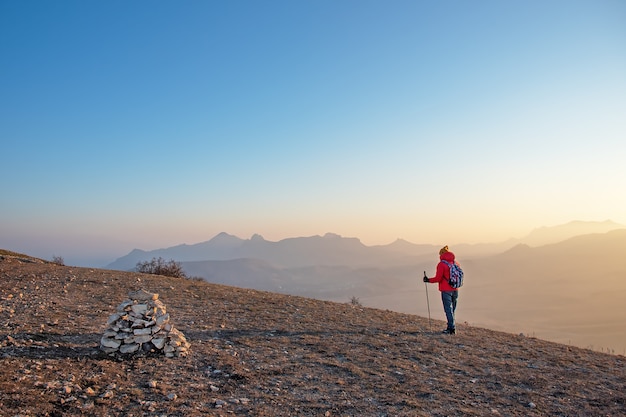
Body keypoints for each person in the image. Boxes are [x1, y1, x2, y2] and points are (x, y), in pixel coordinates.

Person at [424, 245, 459, 334]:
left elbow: (438, 278)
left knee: (448, 309)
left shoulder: (441, 265)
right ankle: (451, 327)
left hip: (446, 290)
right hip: (455, 289)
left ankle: (451, 329)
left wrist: (428, 280)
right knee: (452, 309)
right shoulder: (456, 263)